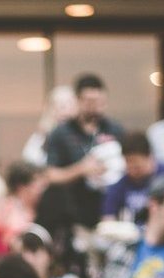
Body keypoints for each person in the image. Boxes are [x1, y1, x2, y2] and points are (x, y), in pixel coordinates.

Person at [43, 73, 126, 229]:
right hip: (75, 214)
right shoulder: (61, 133)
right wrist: (81, 169)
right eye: (90, 101)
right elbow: (50, 175)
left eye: (100, 101)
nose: (95, 106)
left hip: (111, 210)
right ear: (78, 100)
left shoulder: (115, 129)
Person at [100, 132, 164, 224]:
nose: (133, 171)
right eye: (129, 166)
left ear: (149, 156)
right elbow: (108, 219)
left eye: (137, 167)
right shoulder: (119, 187)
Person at [22, 85, 78, 168]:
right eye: (60, 106)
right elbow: (29, 158)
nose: (65, 110)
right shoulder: (43, 135)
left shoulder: (85, 134)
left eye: (69, 104)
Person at [0, 160, 48, 242]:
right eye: (36, 182)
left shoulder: (44, 208)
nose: (41, 189)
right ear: (21, 187)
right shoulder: (6, 207)